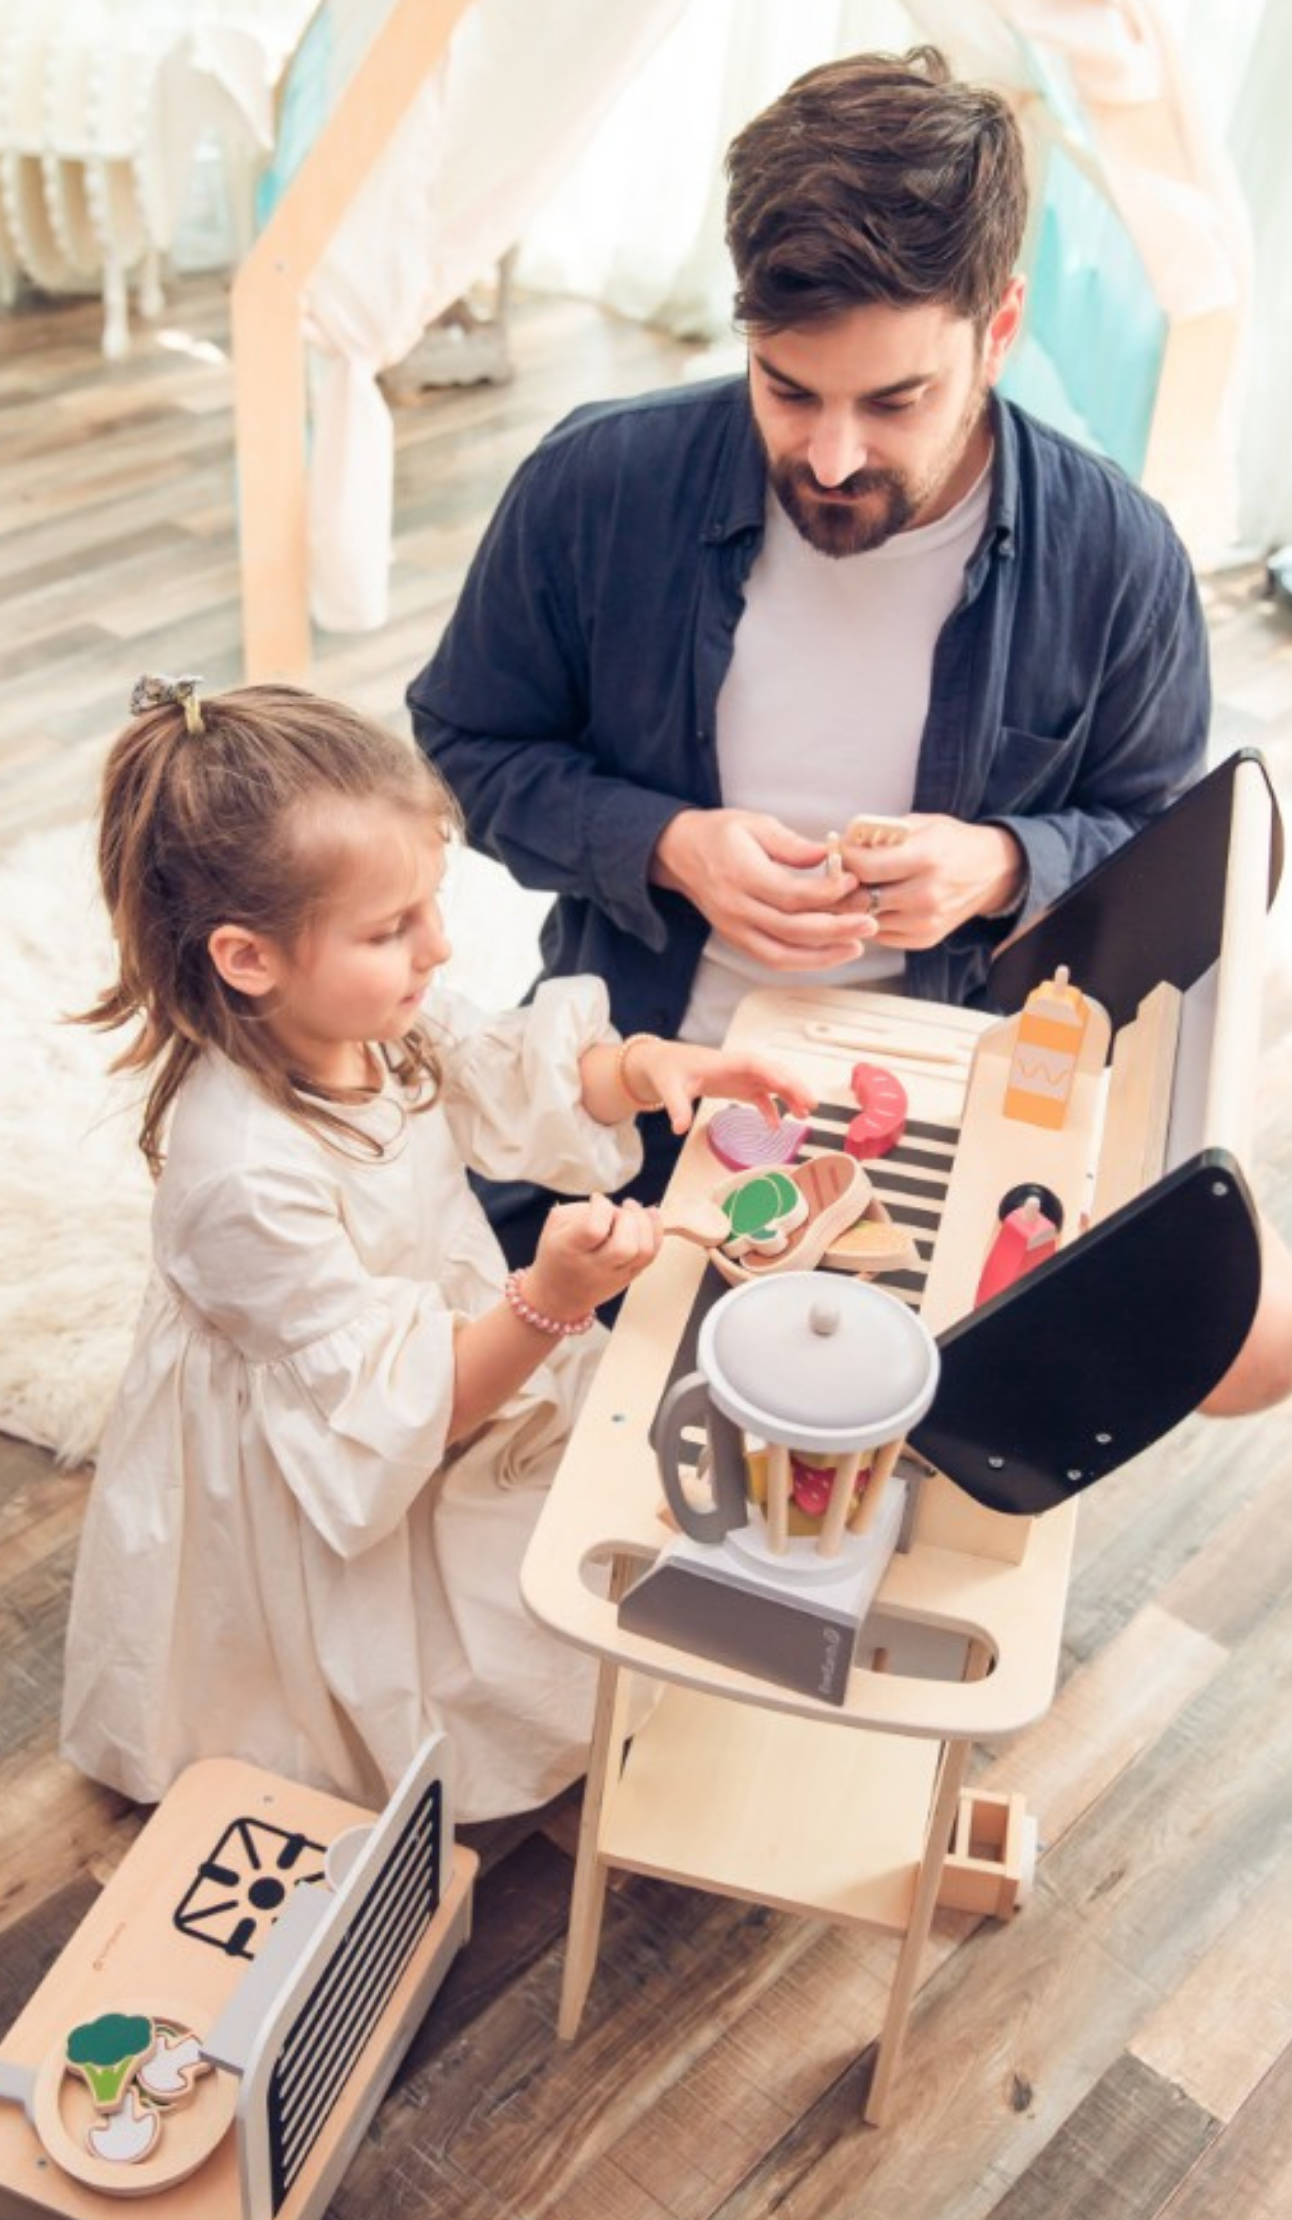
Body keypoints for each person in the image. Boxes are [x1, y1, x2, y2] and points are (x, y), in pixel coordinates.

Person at [409, 46, 1292, 1412]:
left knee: (1265, 1340)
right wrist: (667, 847)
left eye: (895, 402)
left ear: (999, 331)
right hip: (652, 1074)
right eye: (787, 389)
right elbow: (464, 743)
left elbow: (1167, 844)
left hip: (968, 1072)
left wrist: (1004, 868)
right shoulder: (595, 488)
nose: (832, 458)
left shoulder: (1117, 556)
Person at [58, 675, 813, 1821]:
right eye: (390, 928)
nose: (439, 946)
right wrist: (552, 1297)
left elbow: (509, 1069)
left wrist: (650, 1067)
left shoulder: (374, 1022)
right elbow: (404, 1411)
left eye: (433, 904)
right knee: (401, 1670)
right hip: (348, 1437)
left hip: (435, 1354)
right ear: (248, 959)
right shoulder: (245, 1179)